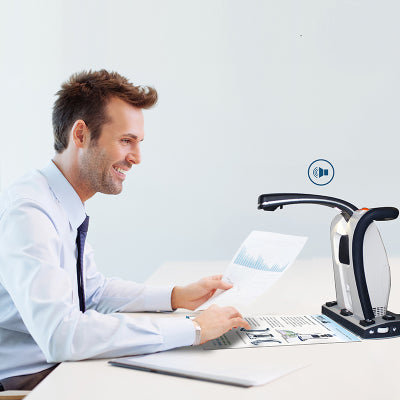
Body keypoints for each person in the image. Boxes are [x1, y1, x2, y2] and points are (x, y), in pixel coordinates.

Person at [0, 70, 250, 391]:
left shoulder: (60, 202)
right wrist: (193, 329)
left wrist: (176, 296)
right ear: (80, 135)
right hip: (29, 382)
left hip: (60, 369)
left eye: (138, 142)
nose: (136, 157)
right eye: (125, 141)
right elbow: (62, 335)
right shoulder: (29, 212)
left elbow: (92, 293)